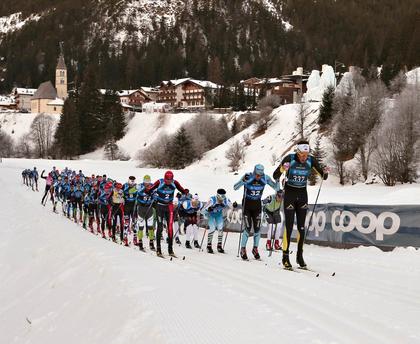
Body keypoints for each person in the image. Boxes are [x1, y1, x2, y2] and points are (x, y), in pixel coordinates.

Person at [273, 139, 329, 269]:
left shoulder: (311, 160)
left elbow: (323, 176)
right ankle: (285, 257)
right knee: (288, 226)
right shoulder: (289, 158)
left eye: (306, 154)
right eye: (302, 155)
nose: (304, 157)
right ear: (297, 152)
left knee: (302, 228)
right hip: (290, 194)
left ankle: (299, 256)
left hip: (302, 194)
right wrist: (283, 168)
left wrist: (325, 172)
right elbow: (275, 175)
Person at [234, 164, 279, 260]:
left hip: (257, 205)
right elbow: (235, 187)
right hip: (247, 205)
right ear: (254, 172)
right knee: (248, 227)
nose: (258, 177)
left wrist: (278, 180)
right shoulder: (248, 176)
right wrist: (243, 181)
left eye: (260, 175)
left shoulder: (265, 178)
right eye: (257, 175)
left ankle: (255, 249)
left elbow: (276, 188)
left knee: (257, 228)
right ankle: (243, 249)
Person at [146, 171, 187, 257]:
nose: (168, 181)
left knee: (170, 228)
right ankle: (158, 249)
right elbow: (148, 191)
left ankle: (170, 250)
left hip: (169, 207)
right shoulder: (159, 182)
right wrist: (154, 195)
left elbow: (184, 191)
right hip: (160, 206)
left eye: (170, 180)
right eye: (167, 180)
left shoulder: (175, 183)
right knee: (160, 227)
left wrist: (180, 195)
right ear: (164, 178)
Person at [202, 189, 232, 253]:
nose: (221, 201)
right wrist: (208, 210)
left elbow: (232, 207)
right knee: (212, 229)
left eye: (222, 200)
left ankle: (219, 246)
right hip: (211, 215)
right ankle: (209, 246)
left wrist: (234, 205)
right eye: (220, 200)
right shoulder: (212, 200)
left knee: (220, 229)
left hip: (219, 215)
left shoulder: (225, 199)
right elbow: (203, 210)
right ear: (218, 196)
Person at [135, 175, 155, 250]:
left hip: (149, 208)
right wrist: (146, 189)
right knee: (141, 226)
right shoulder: (140, 186)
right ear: (143, 181)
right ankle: (140, 242)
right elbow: (138, 192)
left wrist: (154, 196)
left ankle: (151, 242)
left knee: (150, 227)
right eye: (146, 182)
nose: (147, 183)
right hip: (141, 208)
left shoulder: (152, 186)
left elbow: (156, 194)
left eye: (148, 181)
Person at [123, 176, 137, 244]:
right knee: (126, 222)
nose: (132, 182)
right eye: (131, 180)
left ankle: (135, 237)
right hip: (127, 206)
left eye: (133, 181)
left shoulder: (136, 186)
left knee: (134, 222)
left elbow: (138, 194)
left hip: (133, 206)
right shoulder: (125, 185)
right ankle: (125, 237)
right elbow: (122, 193)